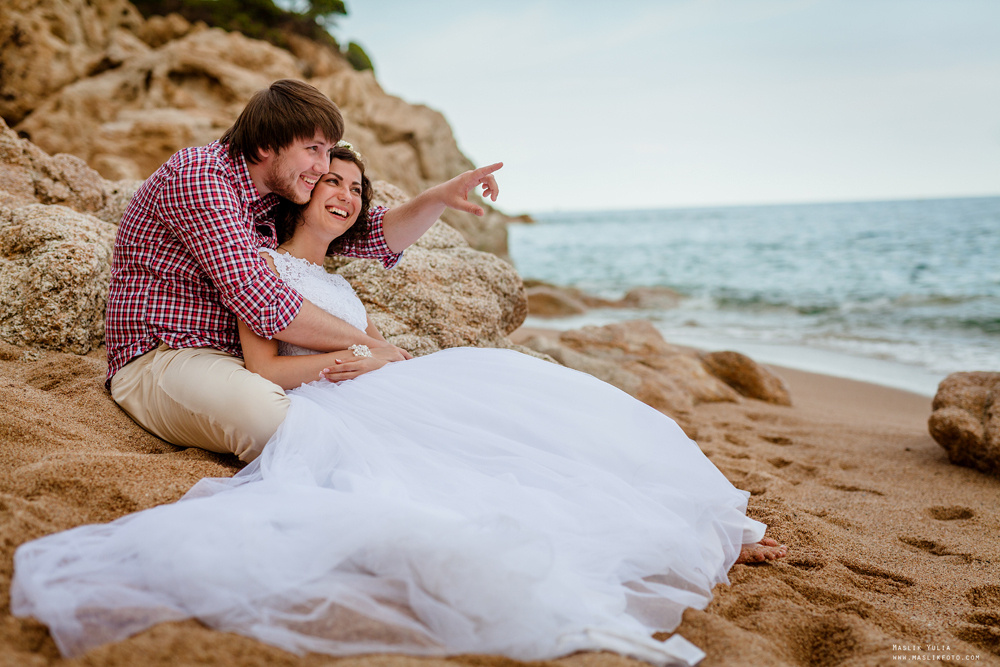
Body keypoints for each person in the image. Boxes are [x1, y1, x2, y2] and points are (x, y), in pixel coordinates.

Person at [13, 143, 787, 666]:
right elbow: (265, 368)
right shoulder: (257, 265)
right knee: (459, 472)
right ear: (298, 190)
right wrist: (356, 356)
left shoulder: (342, 276)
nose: (344, 194)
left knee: (535, 413)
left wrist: (440, 206)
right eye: (330, 180)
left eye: (355, 189)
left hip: (390, 385)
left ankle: (700, 527)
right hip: (340, 401)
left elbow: (386, 267)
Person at [104, 78, 501, 462]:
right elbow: (261, 301)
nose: (321, 164)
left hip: (240, 361)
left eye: (327, 151)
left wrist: (438, 197)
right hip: (164, 356)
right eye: (313, 149)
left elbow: (370, 233)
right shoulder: (201, 178)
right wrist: (367, 345)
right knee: (275, 424)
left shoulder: (275, 194)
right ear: (264, 145)